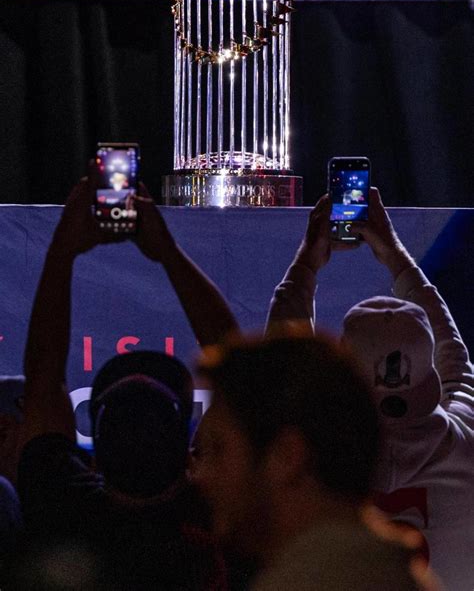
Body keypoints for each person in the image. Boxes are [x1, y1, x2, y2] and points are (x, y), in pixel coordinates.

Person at [10, 176, 239, 590]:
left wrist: (64, 246)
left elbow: (43, 382)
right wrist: (166, 252)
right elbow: (246, 376)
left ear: (93, 461)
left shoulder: (61, 509)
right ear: (191, 460)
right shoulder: (221, 517)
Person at [266, 187, 474, 590]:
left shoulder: (304, 464)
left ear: (342, 374)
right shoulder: (468, 442)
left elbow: (281, 363)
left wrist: (308, 262)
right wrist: (394, 254)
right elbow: (457, 364)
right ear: (428, 375)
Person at [195, 334, 439, 590]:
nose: (201, 475)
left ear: (288, 455)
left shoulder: (304, 583)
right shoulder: (398, 575)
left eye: (218, 449)